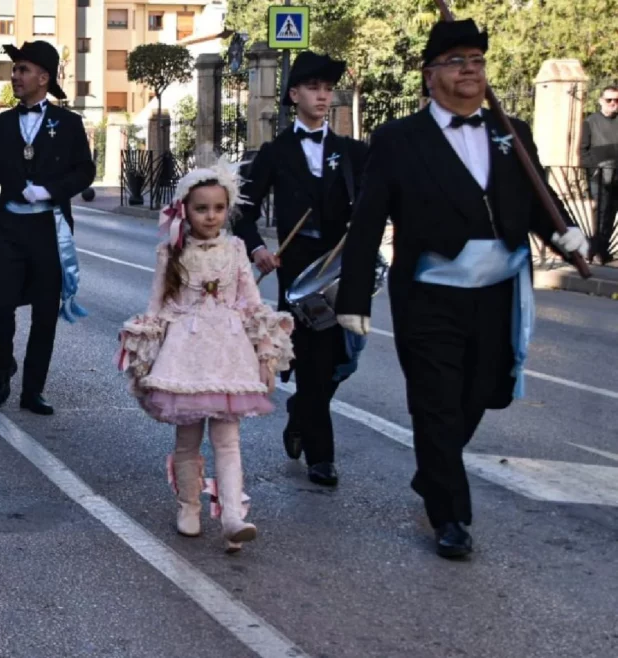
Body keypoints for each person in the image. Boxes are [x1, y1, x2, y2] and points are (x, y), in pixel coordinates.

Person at [336, 19, 589, 559]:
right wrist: (353, 300)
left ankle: (435, 469)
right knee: (437, 403)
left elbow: (538, 201)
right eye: (456, 61)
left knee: (486, 391)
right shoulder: (399, 141)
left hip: (499, 293)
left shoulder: (511, 132)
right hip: (430, 294)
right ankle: (450, 514)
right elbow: (365, 223)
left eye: (476, 60)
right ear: (430, 77)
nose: (470, 69)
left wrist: (566, 237)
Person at [117, 161, 294, 553]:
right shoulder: (171, 253)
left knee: (228, 439)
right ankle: (189, 505)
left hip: (229, 355)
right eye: (201, 208)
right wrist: (145, 354)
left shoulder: (235, 249)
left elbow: (252, 305)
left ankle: (233, 515)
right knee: (189, 436)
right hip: (186, 354)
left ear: (228, 209)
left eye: (218, 208)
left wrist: (265, 355)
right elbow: (157, 307)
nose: (211, 216)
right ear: (185, 210)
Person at [234, 51, 369, 488]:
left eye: (328, 89)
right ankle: (321, 457)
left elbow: (373, 206)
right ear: (294, 94)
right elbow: (243, 211)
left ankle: (300, 414)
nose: (323, 96)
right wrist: (257, 250)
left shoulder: (351, 153)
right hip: (297, 273)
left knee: (340, 362)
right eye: (314, 88)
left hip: (340, 271)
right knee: (312, 361)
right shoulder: (276, 153)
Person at [0, 41, 95, 416]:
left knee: (44, 312)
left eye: (23, 69)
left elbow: (84, 171)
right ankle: (4, 362)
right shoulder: (0, 124)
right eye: (15, 69)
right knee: (0, 303)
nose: (16, 76)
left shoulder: (69, 123)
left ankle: (33, 390)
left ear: (44, 77)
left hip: (49, 230)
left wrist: (51, 190)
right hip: (8, 227)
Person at [580, 85, 618, 264]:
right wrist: (594, 169)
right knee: (601, 212)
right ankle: (594, 251)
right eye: (609, 100)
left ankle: (602, 251)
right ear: (601, 101)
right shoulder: (590, 121)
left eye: (616, 100)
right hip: (598, 174)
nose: (613, 104)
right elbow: (582, 150)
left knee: (611, 213)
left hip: (616, 174)